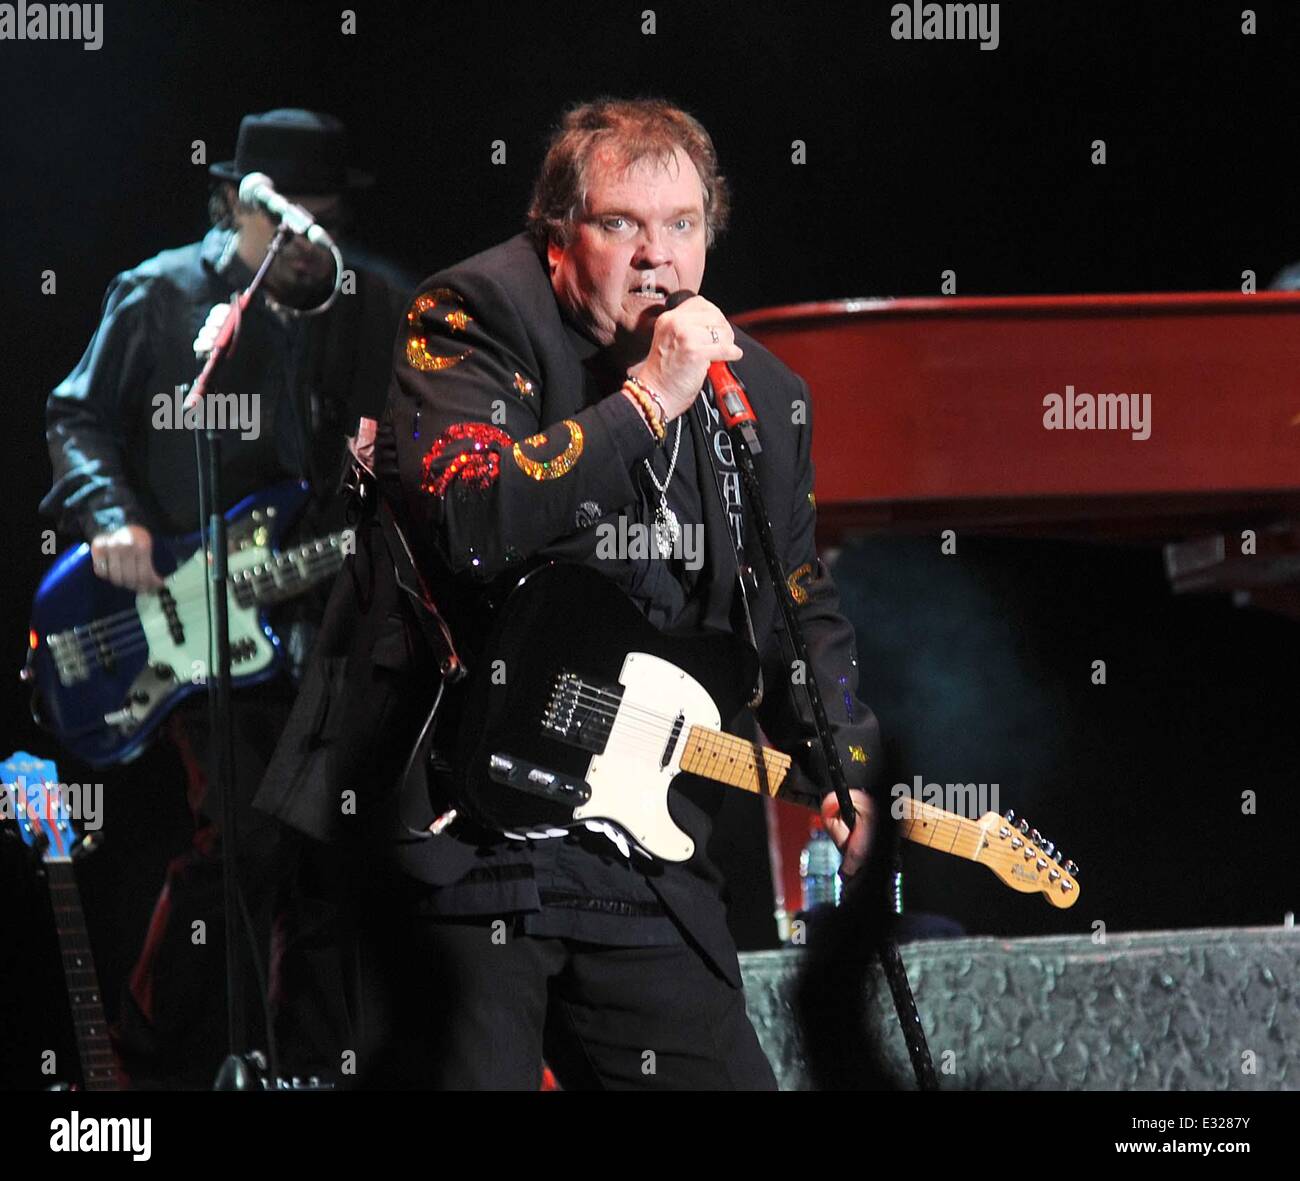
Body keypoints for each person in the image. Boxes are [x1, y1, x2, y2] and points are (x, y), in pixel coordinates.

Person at [257, 96, 883, 1090]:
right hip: (451, 822)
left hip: (630, 830)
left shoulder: (762, 392)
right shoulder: (468, 317)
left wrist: (842, 753)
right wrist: (645, 402)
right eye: (620, 224)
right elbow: (471, 517)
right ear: (557, 240)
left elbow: (800, 602)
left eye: (681, 226)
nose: (656, 258)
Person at [41, 108, 410, 1088]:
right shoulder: (161, 296)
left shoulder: (372, 306)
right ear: (236, 206)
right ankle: (139, 1068)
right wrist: (109, 516)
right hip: (189, 632)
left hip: (322, 623)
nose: (297, 248)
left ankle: (306, 1073)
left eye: (316, 223)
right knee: (243, 840)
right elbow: (76, 416)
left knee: (331, 854)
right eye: (278, 225)